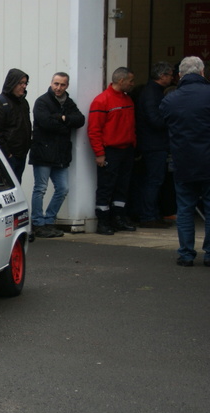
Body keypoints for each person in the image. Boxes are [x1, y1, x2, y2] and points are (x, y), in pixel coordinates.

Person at [160, 56, 210, 267]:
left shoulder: (170, 100)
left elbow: (164, 122)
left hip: (183, 161)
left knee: (185, 209)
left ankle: (187, 254)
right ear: (202, 73)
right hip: (208, 161)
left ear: (180, 75)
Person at [28, 73, 85, 238]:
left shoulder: (68, 102)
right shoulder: (42, 101)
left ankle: (49, 220)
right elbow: (45, 123)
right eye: (56, 84)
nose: (58, 88)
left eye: (62, 85)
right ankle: (38, 222)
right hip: (43, 152)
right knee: (40, 188)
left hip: (60, 154)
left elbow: (80, 120)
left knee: (63, 188)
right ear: (51, 83)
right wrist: (66, 124)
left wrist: (61, 118)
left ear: (67, 86)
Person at [88, 67, 137, 235]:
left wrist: (133, 145)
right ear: (121, 81)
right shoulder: (102, 101)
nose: (133, 84)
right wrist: (99, 153)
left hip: (126, 150)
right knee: (106, 187)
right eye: (131, 81)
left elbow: (130, 126)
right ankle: (103, 221)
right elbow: (94, 130)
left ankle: (118, 218)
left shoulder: (128, 99)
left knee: (123, 186)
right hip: (111, 152)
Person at [135, 62, 174, 228]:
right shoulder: (152, 93)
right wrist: (172, 120)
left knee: (154, 180)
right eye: (170, 75)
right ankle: (148, 216)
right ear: (162, 76)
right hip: (154, 144)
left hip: (153, 143)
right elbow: (155, 120)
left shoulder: (152, 91)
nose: (172, 78)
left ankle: (151, 214)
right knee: (154, 180)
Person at [0, 68, 32, 181]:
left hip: (21, 155)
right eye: (20, 83)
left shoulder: (23, 103)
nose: (24, 86)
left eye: (25, 83)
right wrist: (8, 153)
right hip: (7, 157)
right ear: (12, 83)